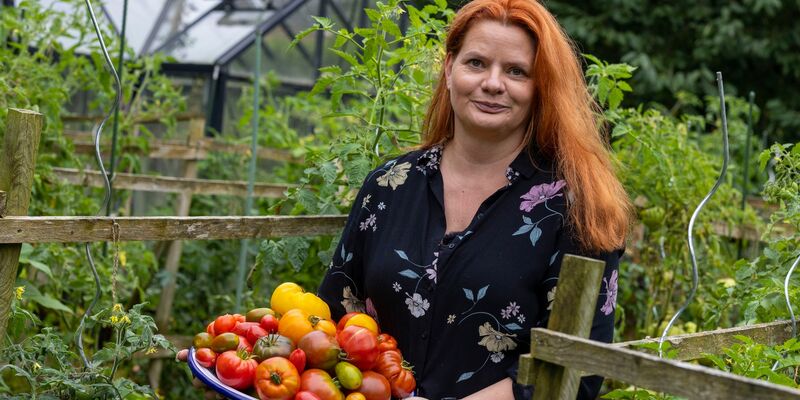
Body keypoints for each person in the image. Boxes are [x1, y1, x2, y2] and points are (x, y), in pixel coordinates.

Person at [316, 0, 632, 399]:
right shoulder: (389, 185)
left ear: (541, 87)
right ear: (449, 70)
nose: (493, 83)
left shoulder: (573, 207)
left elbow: (577, 368)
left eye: (516, 71)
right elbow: (335, 313)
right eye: (477, 63)